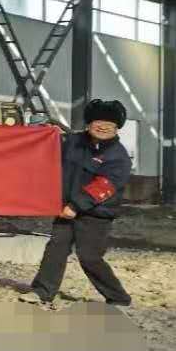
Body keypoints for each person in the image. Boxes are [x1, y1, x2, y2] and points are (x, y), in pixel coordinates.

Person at [19, 99, 133, 308]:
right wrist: (40, 130)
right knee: (56, 249)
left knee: (90, 257)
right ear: (89, 124)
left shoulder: (119, 157)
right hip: (66, 209)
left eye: (109, 124)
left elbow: (104, 186)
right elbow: (49, 145)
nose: (103, 127)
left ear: (117, 128)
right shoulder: (73, 142)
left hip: (96, 215)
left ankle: (118, 297)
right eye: (98, 122)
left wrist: (75, 206)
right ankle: (42, 291)